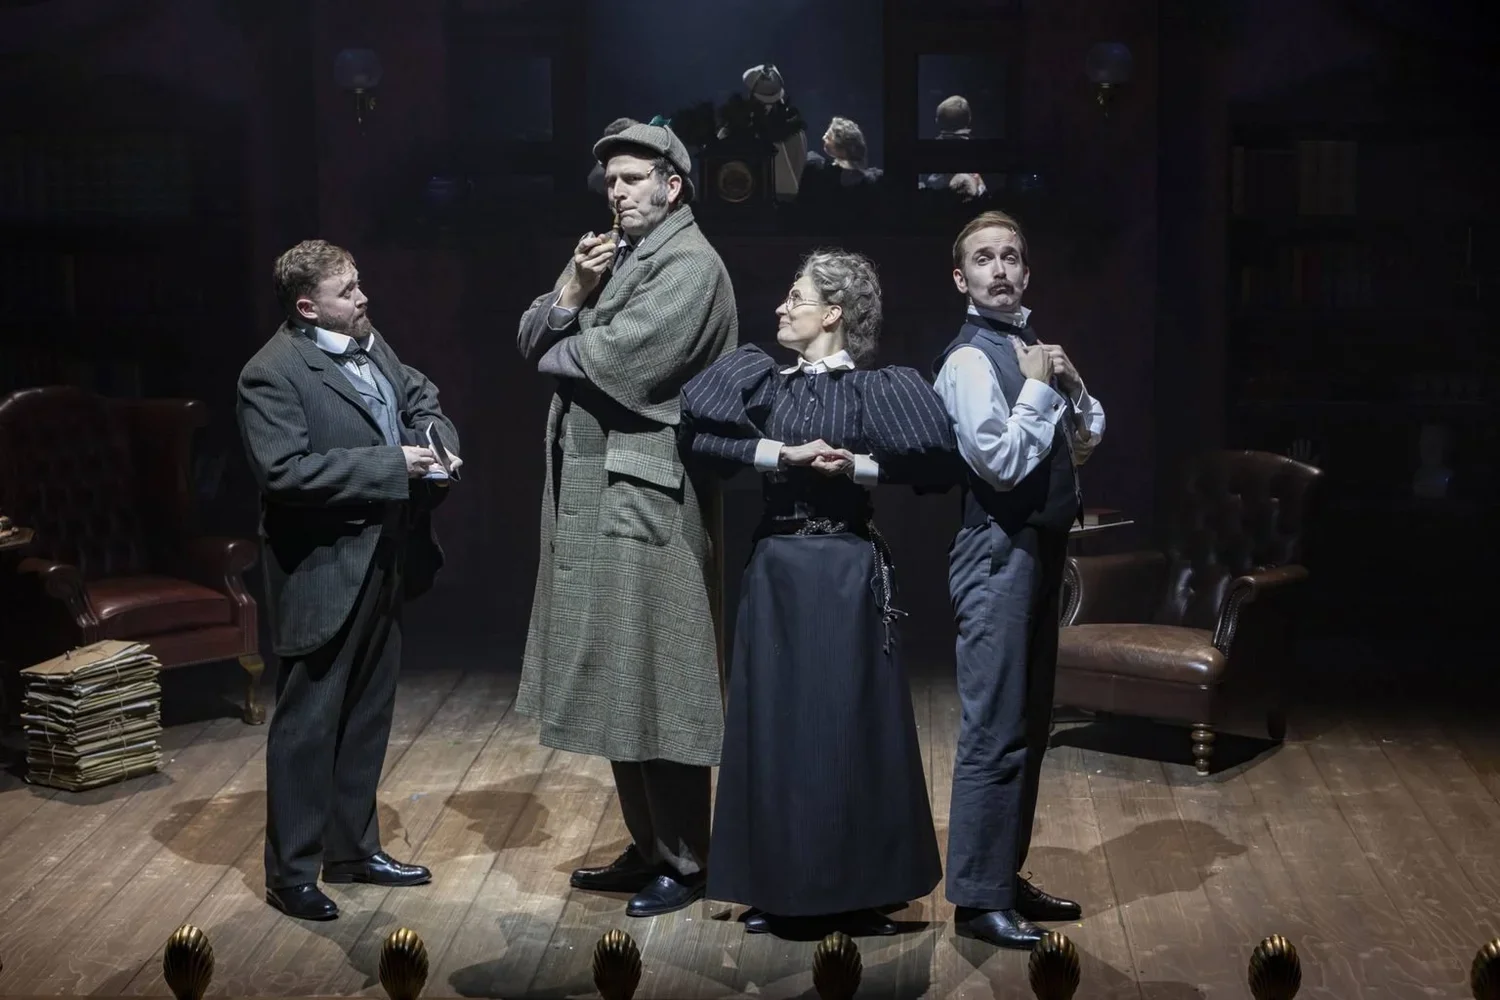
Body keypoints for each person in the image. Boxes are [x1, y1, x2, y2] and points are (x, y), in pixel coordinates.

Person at [680, 249, 950, 938]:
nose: (781, 307)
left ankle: (857, 890)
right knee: (777, 728)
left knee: (848, 727)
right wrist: (783, 455)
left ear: (832, 311)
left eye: (795, 296)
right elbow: (700, 431)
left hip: (845, 570)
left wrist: (852, 465)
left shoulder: (871, 388)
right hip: (777, 570)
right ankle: (778, 887)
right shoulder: (764, 382)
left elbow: (934, 458)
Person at [516, 120, 739, 918]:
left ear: (672, 185)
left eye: (633, 178)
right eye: (609, 180)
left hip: (647, 493)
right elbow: (531, 334)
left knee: (658, 672)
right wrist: (572, 293)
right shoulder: (617, 258)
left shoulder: (691, 265)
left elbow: (621, 359)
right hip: (596, 486)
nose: (617, 192)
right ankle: (651, 849)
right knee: (616, 671)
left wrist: (566, 330)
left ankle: (686, 859)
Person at [237, 239, 463, 921]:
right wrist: (394, 465)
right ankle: (293, 871)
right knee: (308, 723)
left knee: (367, 712)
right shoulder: (271, 374)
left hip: (386, 556)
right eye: (347, 292)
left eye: (360, 285)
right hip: (323, 567)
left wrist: (438, 443)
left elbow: (419, 394)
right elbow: (285, 473)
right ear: (308, 307)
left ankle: (352, 848)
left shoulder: (366, 338)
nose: (363, 299)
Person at [933, 210, 1107, 948]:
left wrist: (1067, 383)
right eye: (983, 259)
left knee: (1030, 728)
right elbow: (999, 462)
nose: (999, 269)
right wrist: (1038, 392)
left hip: (1038, 552)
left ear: (1026, 273)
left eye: (1010, 257)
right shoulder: (969, 361)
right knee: (995, 729)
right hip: (996, 553)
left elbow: (1089, 439)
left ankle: (1003, 875)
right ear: (960, 278)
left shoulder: (1033, 350)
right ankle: (976, 900)